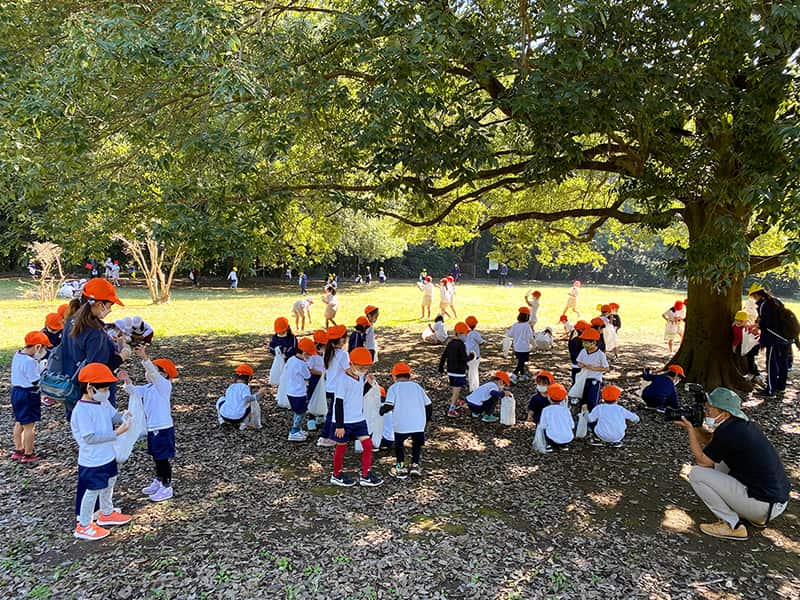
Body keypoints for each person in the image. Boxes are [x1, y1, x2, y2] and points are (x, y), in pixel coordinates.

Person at [675, 387, 790, 540]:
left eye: (710, 409)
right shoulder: (738, 426)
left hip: (763, 506)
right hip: (774, 503)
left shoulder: (729, 432)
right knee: (719, 460)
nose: (706, 412)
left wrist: (690, 430)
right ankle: (750, 515)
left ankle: (732, 525)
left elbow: (702, 461)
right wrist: (695, 426)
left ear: (725, 413)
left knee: (697, 473)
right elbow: (711, 441)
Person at [71, 363, 132, 541]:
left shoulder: (102, 402)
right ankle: (84, 524)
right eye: (103, 388)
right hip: (93, 460)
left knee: (109, 482)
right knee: (93, 490)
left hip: (107, 455)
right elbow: (89, 438)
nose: (106, 392)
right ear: (90, 388)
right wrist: (116, 433)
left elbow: (113, 416)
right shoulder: (82, 410)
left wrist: (125, 416)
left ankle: (106, 512)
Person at [59, 278, 126, 424]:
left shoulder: (72, 321)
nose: (110, 309)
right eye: (109, 305)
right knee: (100, 433)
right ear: (100, 304)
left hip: (72, 389)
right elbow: (99, 368)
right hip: (94, 395)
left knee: (83, 434)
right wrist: (122, 356)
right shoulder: (95, 332)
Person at [118, 346, 178, 502]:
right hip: (153, 428)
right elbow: (134, 391)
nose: (149, 373)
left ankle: (166, 486)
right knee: (156, 457)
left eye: (157, 370)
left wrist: (145, 358)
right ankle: (159, 480)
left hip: (163, 428)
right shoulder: (149, 388)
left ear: (164, 374)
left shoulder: (164, 386)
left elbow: (153, 373)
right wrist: (127, 380)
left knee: (162, 458)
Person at [329, 348, 383, 487]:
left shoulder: (360, 377)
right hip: (344, 421)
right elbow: (338, 402)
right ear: (351, 363)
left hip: (358, 419)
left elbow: (359, 394)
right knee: (341, 448)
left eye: (366, 367)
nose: (363, 370)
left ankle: (365, 474)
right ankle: (336, 474)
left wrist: (368, 385)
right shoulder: (342, 379)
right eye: (360, 367)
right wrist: (339, 425)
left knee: (368, 445)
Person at [381, 362, 432, 479]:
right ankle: (415, 465)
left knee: (399, 446)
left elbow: (389, 406)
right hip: (418, 424)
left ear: (394, 376)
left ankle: (400, 466)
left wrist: (380, 411)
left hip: (401, 424)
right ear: (410, 375)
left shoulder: (394, 388)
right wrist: (428, 420)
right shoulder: (417, 387)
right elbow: (428, 404)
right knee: (416, 446)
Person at [10, 332, 52, 463]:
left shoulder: (18, 355)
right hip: (28, 394)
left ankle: (18, 449)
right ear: (38, 347)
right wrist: (42, 371)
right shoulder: (29, 361)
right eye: (44, 348)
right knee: (29, 426)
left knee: (19, 421)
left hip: (16, 392)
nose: (44, 351)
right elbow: (35, 381)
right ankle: (28, 454)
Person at [749, 284, 793, 397]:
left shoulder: (764, 305)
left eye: (753, 296)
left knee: (771, 364)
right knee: (783, 363)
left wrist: (758, 324)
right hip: (786, 338)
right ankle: (780, 387)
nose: (753, 299)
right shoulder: (775, 301)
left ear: (757, 294)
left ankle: (770, 390)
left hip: (774, 338)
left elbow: (767, 323)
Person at [317, 325, 349, 447]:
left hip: (329, 387)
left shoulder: (327, 353)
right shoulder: (343, 355)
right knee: (334, 413)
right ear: (341, 340)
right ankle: (327, 436)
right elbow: (348, 370)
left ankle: (327, 434)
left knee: (333, 411)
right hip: (338, 388)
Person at [285, 338, 317, 442]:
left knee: (297, 411)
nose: (309, 357)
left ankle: (297, 429)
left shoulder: (291, 359)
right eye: (308, 355)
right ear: (304, 353)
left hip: (290, 390)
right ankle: (294, 431)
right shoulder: (302, 364)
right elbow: (307, 376)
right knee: (300, 412)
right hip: (299, 392)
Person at [439, 322, 474, 418]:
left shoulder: (450, 343)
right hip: (459, 372)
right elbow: (464, 358)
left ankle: (456, 401)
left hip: (450, 371)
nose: (466, 336)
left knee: (455, 388)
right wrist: (471, 356)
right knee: (456, 390)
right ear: (460, 333)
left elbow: (444, 355)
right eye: (466, 334)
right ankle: (452, 409)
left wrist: (441, 367)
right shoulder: (461, 344)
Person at [216, 364, 266, 430]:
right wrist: (259, 394)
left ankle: (221, 421)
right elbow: (247, 399)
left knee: (221, 399)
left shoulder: (230, 387)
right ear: (249, 378)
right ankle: (252, 424)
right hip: (239, 417)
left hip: (225, 415)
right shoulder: (245, 387)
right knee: (252, 402)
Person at [574, 328, 609, 411]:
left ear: (593, 342)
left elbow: (606, 368)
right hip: (584, 378)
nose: (584, 344)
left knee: (592, 400)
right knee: (583, 399)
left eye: (586, 343)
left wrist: (594, 368)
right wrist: (581, 365)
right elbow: (578, 362)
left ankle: (593, 418)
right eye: (583, 342)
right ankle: (582, 418)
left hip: (595, 380)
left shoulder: (600, 354)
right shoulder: (583, 351)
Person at [537, 383, 575, 451]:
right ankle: (564, 445)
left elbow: (543, 425)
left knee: (544, 429)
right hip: (568, 438)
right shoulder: (566, 410)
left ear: (549, 397)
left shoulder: (546, 410)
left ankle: (549, 445)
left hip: (552, 438)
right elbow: (572, 425)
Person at [732, 309, 760, 381]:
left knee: (750, 358)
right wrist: (734, 346)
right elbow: (737, 337)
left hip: (753, 345)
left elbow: (755, 335)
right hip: (745, 345)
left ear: (745, 321)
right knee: (749, 359)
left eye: (741, 321)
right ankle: (756, 373)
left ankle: (752, 373)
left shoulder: (747, 328)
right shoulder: (735, 327)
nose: (738, 322)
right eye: (737, 320)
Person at [507, 307, 533, 381]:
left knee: (521, 361)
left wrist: (507, 331)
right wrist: (534, 344)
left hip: (517, 347)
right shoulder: (527, 326)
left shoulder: (515, 325)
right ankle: (514, 374)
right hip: (525, 348)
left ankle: (522, 374)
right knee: (521, 362)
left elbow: (510, 334)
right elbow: (530, 336)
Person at [465, 315, 484, 392]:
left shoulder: (465, 333)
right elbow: (481, 342)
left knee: (469, 369)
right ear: (475, 325)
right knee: (474, 370)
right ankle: (474, 385)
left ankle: (469, 382)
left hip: (466, 354)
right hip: (474, 355)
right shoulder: (475, 333)